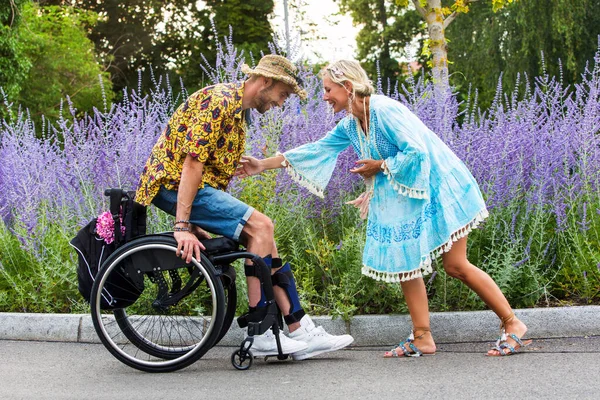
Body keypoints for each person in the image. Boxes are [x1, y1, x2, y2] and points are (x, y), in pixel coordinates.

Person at [235, 59, 531, 357]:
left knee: (455, 265)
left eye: (328, 90)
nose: (324, 97)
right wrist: (263, 165)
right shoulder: (351, 123)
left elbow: (416, 150)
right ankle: (422, 337)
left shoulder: (384, 109)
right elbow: (318, 149)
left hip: (439, 186)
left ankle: (512, 323)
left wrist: (380, 166)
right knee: (406, 265)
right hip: (409, 195)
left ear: (347, 87)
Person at [135, 54, 354, 360]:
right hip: (173, 184)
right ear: (264, 82)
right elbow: (192, 163)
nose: (280, 103)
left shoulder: (237, 112)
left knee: (264, 236)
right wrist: (184, 226)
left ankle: (298, 326)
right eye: (282, 95)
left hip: (191, 188)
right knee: (261, 226)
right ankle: (260, 332)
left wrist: (203, 219)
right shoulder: (220, 101)